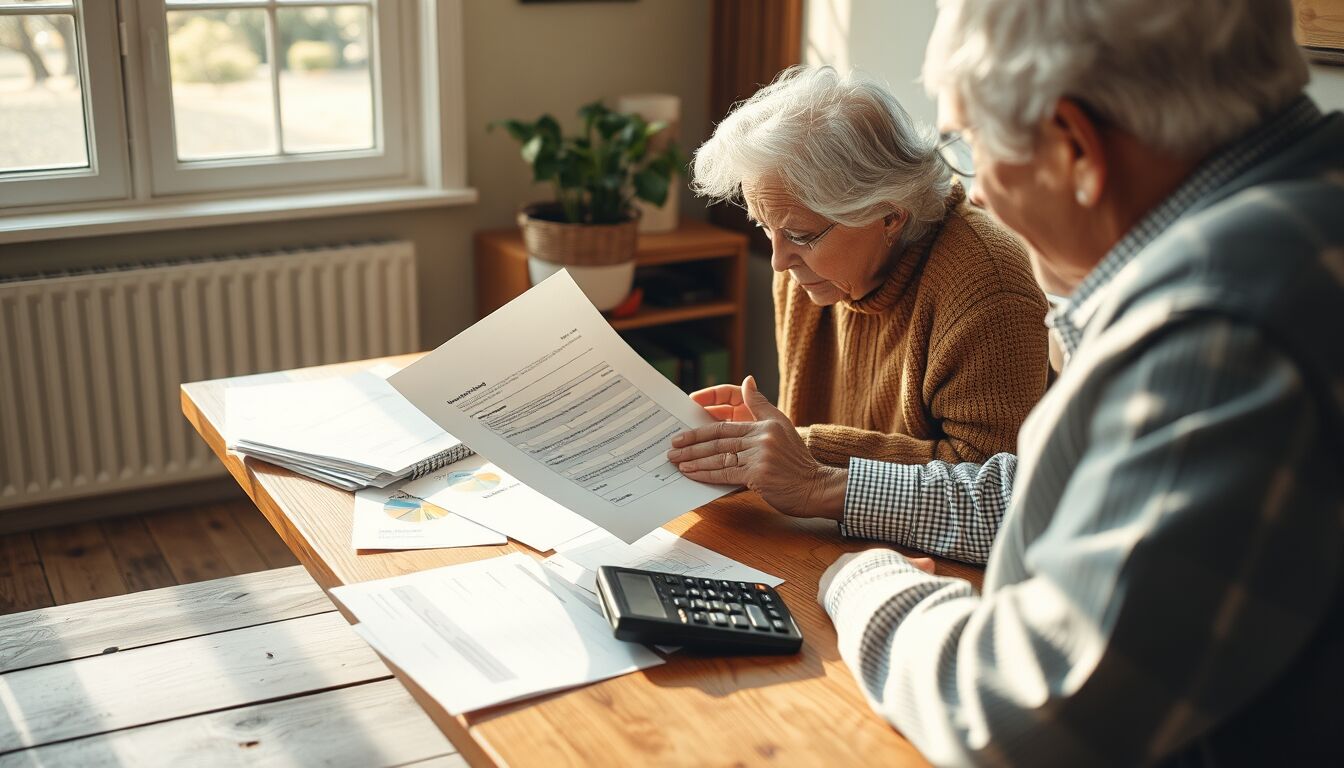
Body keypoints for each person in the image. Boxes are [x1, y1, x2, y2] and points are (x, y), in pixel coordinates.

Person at [670, 0, 1343, 764]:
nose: (976, 191)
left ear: (1073, 146)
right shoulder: (1305, 217)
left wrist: (867, 584)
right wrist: (834, 487)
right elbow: (1024, 493)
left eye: (972, 142)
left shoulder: (1216, 328)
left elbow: (1012, 716)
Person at [684, 67, 1049, 563]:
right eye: (764, 226)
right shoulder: (806, 273)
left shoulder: (990, 287)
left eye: (802, 235)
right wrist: (767, 443)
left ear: (889, 214)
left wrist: (806, 451)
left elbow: (997, 494)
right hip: (835, 545)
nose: (778, 260)